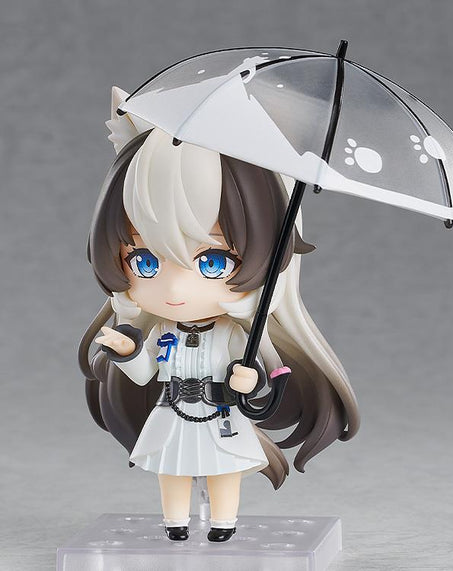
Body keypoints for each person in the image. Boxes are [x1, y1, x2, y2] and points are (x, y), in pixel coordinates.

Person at [78, 90, 360, 542]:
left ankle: (223, 523)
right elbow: (145, 372)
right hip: (172, 412)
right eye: (144, 261)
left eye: (212, 261)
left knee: (223, 471)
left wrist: (250, 381)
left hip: (221, 415)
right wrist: (128, 352)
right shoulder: (163, 330)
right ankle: (175, 522)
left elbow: (255, 373)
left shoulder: (233, 335)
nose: (174, 289)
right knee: (170, 469)